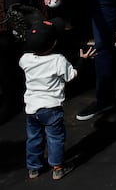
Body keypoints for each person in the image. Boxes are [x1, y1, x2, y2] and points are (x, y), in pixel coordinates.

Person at [20, 18, 95, 180]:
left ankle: (34, 168)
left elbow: (29, 53)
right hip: (51, 109)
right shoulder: (58, 60)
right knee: (55, 138)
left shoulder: (25, 60)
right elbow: (71, 76)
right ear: (54, 44)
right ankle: (58, 167)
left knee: (34, 138)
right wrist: (82, 60)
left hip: (32, 109)